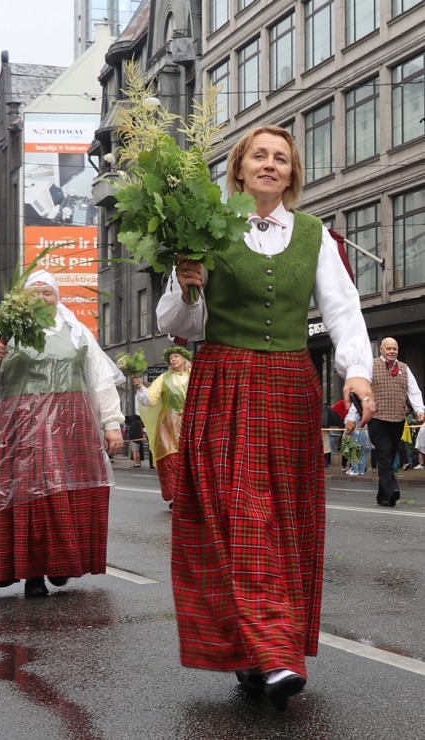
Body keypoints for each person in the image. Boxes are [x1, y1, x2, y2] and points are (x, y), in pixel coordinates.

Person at [155, 125, 375, 710]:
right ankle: (275, 655)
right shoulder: (208, 231)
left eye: (281, 158)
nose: (270, 164)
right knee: (244, 512)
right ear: (240, 168)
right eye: (260, 155)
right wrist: (188, 285)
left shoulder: (314, 236)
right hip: (224, 382)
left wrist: (356, 371)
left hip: (289, 387)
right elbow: (175, 323)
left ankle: (257, 654)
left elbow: (343, 310)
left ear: (292, 173)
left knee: (285, 517)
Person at [0, 269, 124, 598]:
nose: (41, 298)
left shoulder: (77, 332)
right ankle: (33, 572)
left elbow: (100, 380)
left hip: (72, 425)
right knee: (27, 497)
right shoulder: (4, 331)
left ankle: (61, 561)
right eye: (34, 293)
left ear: (57, 298)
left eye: (47, 293)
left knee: (67, 493)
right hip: (20, 427)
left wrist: (110, 423)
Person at [365, 338, 424, 506]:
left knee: (388, 458)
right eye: (388, 348)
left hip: (397, 419)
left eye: (395, 348)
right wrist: (355, 416)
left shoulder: (404, 368)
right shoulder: (372, 366)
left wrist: (420, 410)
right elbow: (364, 389)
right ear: (381, 350)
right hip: (377, 419)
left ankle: (382, 497)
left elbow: (414, 391)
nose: (392, 351)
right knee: (384, 454)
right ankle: (392, 490)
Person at [132, 347, 192, 506]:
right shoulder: (164, 378)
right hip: (169, 424)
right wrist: (140, 386)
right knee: (171, 459)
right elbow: (150, 399)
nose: (173, 359)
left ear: (185, 358)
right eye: (171, 357)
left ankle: (194, 496)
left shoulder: (194, 376)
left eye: (176, 356)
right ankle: (177, 496)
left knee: (192, 460)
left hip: (191, 422)